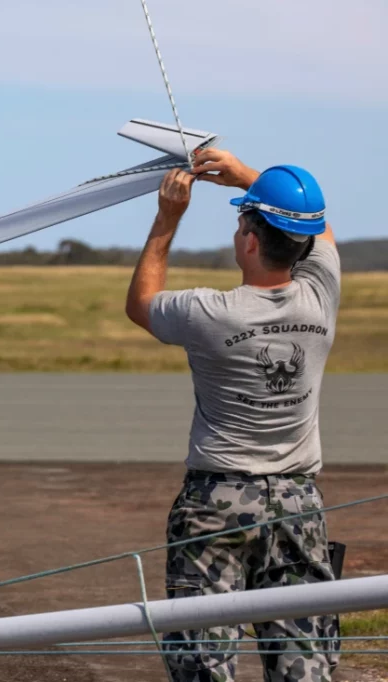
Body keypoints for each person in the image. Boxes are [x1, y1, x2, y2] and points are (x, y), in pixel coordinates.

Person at [125, 150, 340, 682]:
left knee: (204, 657)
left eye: (242, 220)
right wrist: (249, 176)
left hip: (217, 500)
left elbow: (141, 301)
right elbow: (323, 231)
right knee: (304, 654)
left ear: (248, 239)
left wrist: (166, 220)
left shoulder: (208, 312)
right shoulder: (321, 297)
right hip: (297, 500)